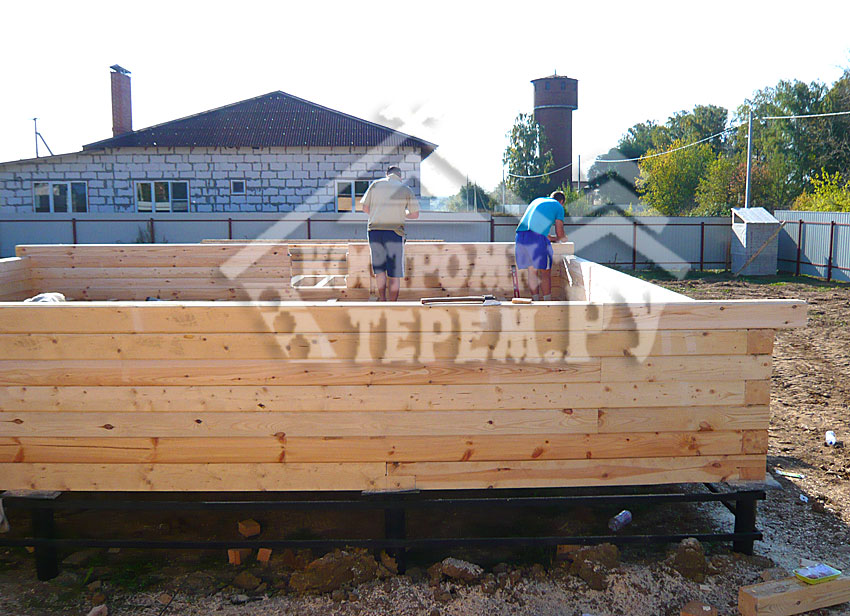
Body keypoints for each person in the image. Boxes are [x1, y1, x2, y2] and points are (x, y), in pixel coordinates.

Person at [360, 166, 420, 301]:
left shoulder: (375, 185)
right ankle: (393, 304)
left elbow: (365, 208)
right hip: (394, 232)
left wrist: (378, 214)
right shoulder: (405, 189)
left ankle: (382, 300)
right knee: (394, 273)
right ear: (400, 176)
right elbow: (415, 214)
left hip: (375, 231)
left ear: (386, 174)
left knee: (380, 270)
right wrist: (402, 213)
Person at [515, 190, 568, 301]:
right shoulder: (558, 206)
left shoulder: (537, 201)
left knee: (532, 271)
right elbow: (560, 234)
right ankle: (546, 304)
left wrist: (552, 238)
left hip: (521, 237)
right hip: (537, 238)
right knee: (545, 272)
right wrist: (563, 238)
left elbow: (536, 229)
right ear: (561, 201)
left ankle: (535, 302)